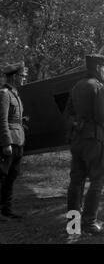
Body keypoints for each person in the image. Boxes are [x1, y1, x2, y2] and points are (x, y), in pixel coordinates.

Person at [66, 54, 104, 234]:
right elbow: (101, 115)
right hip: (94, 139)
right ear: (98, 68)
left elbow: (68, 113)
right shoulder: (98, 86)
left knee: (76, 181)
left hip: (77, 139)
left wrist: (77, 123)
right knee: (98, 178)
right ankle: (89, 221)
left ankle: (72, 225)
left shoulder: (76, 86)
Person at [0, 62, 28, 219]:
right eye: (22, 76)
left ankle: (6, 209)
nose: (24, 78)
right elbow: (2, 120)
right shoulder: (4, 94)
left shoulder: (14, 93)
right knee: (2, 176)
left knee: (11, 176)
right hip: (10, 141)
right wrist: (6, 142)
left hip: (18, 140)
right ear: (14, 77)